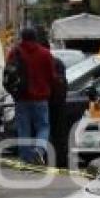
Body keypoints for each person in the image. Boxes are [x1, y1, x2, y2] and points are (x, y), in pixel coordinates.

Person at [7, 27, 56, 164]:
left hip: (21, 97)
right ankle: (39, 151)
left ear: (22, 38)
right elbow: (52, 76)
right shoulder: (45, 54)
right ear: (36, 38)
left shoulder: (14, 53)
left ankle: (25, 159)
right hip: (40, 98)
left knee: (23, 129)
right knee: (43, 126)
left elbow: (8, 73)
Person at [38, 33, 69, 168]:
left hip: (46, 100)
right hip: (60, 101)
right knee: (59, 131)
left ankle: (46, 158)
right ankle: (60, 160)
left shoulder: (44, 63)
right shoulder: (59, 62)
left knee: (45, 130)